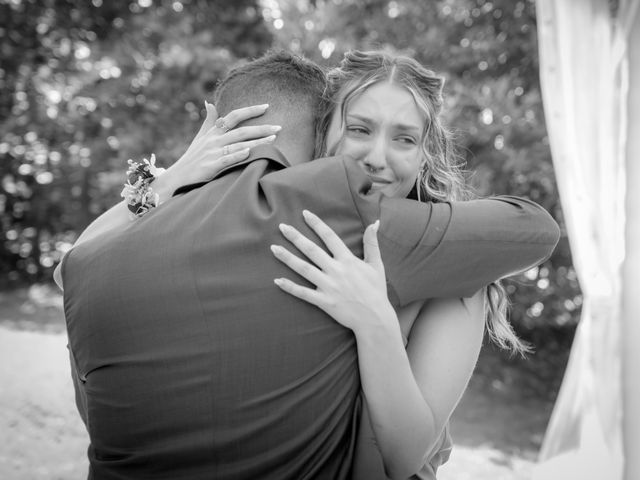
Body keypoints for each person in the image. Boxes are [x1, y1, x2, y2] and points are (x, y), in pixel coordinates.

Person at [59, 50, 559, 479]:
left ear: (427, 154)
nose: (377, 158)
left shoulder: (453, 270)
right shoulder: (306, 218)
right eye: (359, 128)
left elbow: (404, 458)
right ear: (322, 133)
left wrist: (376, 322)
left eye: (405, 138)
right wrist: (170, 180)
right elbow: (75, 267)